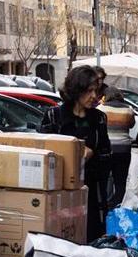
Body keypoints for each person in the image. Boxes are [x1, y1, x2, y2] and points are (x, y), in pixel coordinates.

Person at [39, 65, 109, 242]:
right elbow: (42, 154)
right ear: (76, 90)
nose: (94, 96)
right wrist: (70, 153)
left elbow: (106, 154)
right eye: (89, 91)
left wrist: (92, 153)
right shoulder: (54, 116)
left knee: (90, 238)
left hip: (90, 192)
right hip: (60, 193)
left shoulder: (99, 118)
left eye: (96, 90)